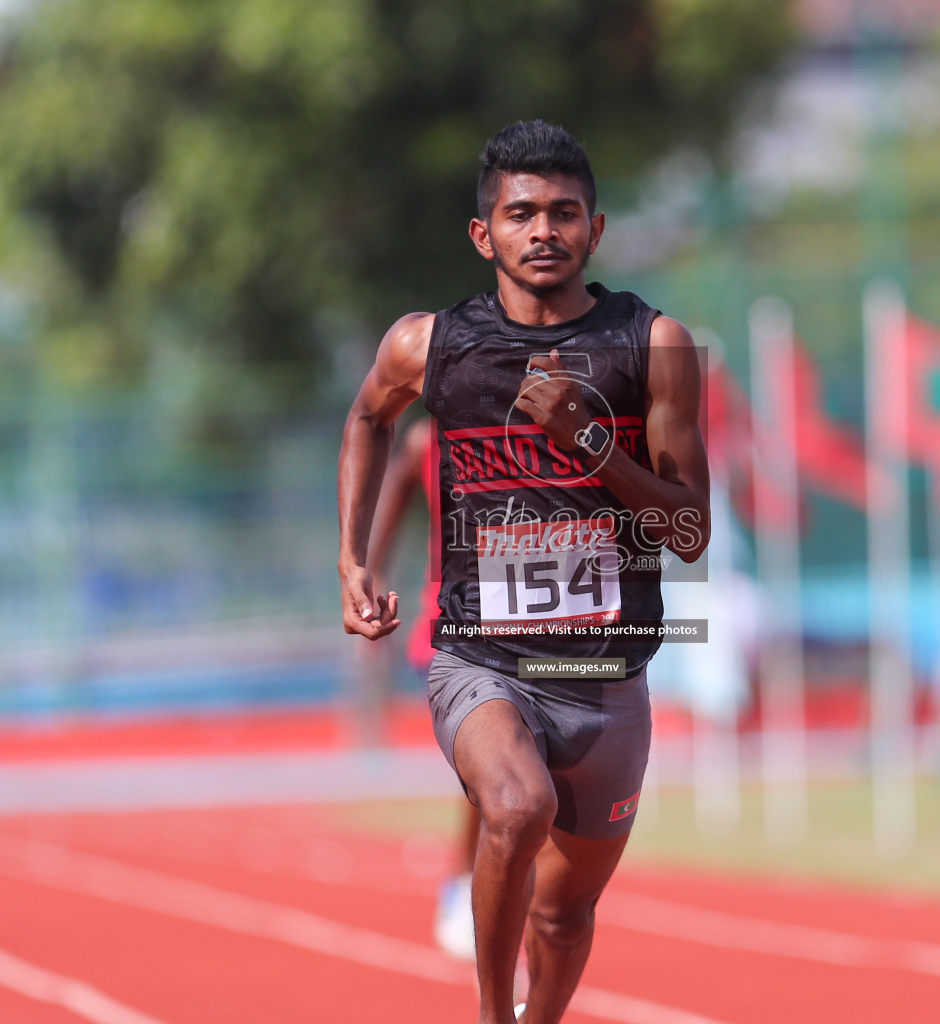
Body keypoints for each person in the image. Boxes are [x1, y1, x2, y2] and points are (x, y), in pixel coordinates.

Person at [338, 119, 709, 1024]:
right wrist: (352, 558)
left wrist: (593, 447)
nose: (543, 230)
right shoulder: (429, 346)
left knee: (565, 911)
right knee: (515, 807)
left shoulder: (652, 346)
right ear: (484, 235)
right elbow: (368, 421)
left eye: (563, 212)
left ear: (596, 230)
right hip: (484, 662)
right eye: (521, 214)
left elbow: (691, 530)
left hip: (605, 676)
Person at [365, 414, 482, 961]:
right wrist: (366, 587)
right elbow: (379, 527)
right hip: (445, 630)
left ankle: (494, 886)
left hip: (529, 626)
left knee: (535, 777)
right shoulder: (422, 441)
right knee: (496, 769)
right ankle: (462, 884)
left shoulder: (529, 424)